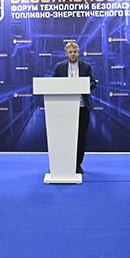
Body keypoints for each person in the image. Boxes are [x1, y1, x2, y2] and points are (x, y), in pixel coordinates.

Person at [52, 41, 97, 174]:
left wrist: (83, 86)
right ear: (66, 53)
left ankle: (77, 164)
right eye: (70, 52)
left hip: (82, 107)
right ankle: (62, 163)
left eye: (75, 52)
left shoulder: (86, 66)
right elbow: (52, 83)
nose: (73, 54)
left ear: (78, 52)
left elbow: (93, 82)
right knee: (63, 137)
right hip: (64, 108)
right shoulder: (59, 67)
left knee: (81, 137)